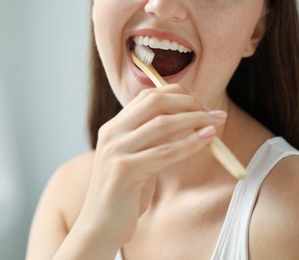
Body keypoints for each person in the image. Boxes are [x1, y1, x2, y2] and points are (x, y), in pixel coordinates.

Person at [26, 0, 299, 259]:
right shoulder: (67, 196)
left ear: (257, 29)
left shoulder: (288, 211)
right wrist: (93, 235)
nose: (161, 6)